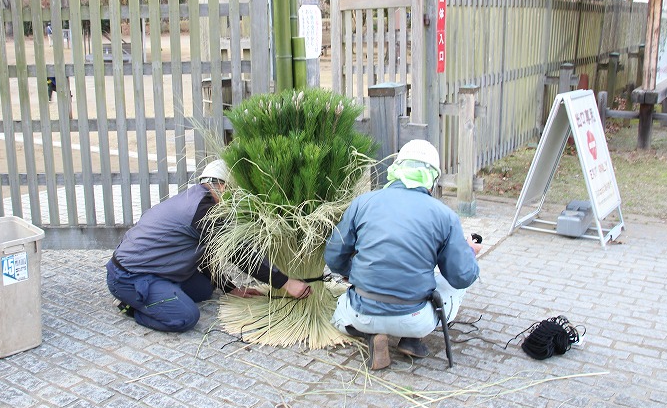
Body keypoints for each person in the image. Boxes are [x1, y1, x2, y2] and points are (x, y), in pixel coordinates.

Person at [325, 139, 481, 370]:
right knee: (452, 283)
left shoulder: (363, 203)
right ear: (433, 179)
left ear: (396, 170)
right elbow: (462, 277)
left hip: (361, 314)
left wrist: (353, 272)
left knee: (340, 313)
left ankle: (371, 334)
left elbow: (334, 256)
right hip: (416, 319)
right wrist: (469, 253)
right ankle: (411, 338)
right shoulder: (445, 215)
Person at [106, 160, 312, 332]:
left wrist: (230, 288)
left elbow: (207, 252)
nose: (237, 197)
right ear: (222, 186)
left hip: (160, 270)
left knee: (205, 290)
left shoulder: (198, 199)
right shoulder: (202, 210)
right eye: (234, 190)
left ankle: (165, 292)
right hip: (130, 276)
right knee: (185, 317)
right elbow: (237, 251)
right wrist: (286, 283)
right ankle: (131, 307)